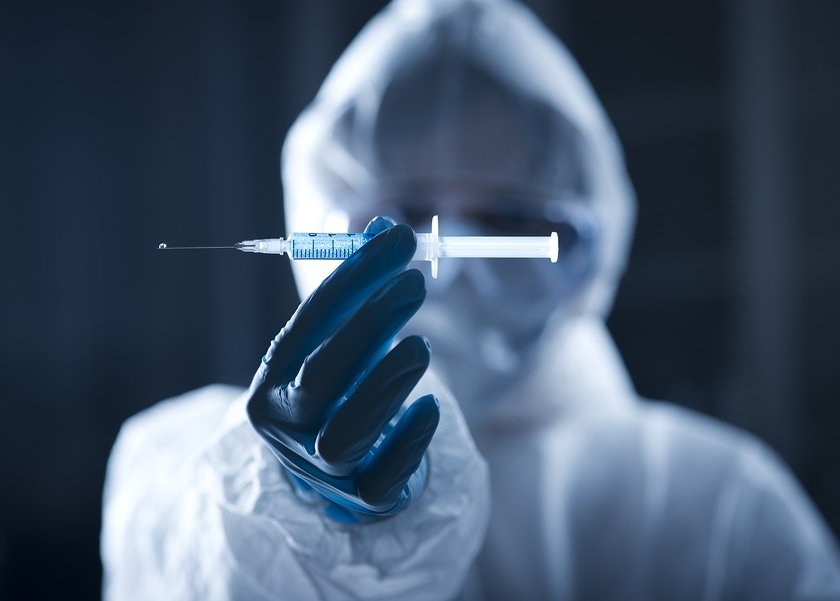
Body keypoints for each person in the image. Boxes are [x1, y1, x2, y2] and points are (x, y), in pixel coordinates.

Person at [101, 0, 840, 598]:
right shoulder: (200, 470)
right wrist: (295, 532)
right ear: (320, 222)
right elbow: (176, 563)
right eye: (404, 215)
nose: (449, 266)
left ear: (591, 234)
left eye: (508, 222)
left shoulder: (716, 505)